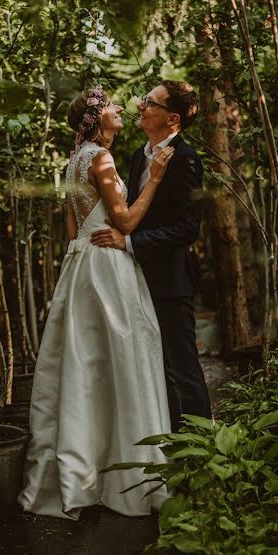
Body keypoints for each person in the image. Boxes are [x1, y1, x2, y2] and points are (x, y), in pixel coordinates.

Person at [18, 85, 174, 519]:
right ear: (94, 118)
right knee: (121, 361)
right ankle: (125, 477)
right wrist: (156, 177)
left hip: (81, 267)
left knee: (85, 366)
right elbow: (123, 220)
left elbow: (73, 229)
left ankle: (83, 471)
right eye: (110, 106)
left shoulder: (75, 159)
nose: (120, 108)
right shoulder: (101, 159)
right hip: (107, 265)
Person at [90, 80, 212, 432]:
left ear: (172, 118)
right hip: (132, 278)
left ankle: (203, 449)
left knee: (182, 368)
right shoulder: (135, 156)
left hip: (170, 282)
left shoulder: (186, 160)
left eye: (151, 103)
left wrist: (128, 243)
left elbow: (187, 228)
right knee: (154, 368)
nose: (141, 106)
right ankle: (170, 444)